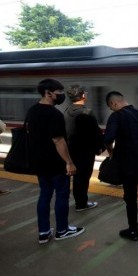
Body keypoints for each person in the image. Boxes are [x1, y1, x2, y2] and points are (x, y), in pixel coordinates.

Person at [26, 78, 85, 244]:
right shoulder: (54, 114)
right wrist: (69, 162)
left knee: (44, 195)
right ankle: (62, 230)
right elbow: (58, 140)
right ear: (48, 93)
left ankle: (44, 233)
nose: (61, 96)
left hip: (39, 163)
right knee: (61, 195)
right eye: (59, 93)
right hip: (56, 163)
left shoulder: (32, 111)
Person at [104, 91, 138, 241]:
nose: (112, 110)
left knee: (130, 198)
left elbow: (108, 138)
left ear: (113, 103)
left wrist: (111, 153)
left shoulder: (117, 116)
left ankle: (133, 231)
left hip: (129, 167)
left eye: (111, 107)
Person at [64, 85, 104, 212]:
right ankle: (81, 204)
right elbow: (94, 133)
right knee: (83, 177)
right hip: (84, 152)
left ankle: (79, 201)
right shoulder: (87, 112)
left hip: (71, 149)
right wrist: (99, 148)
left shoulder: (67, 110)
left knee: (77, 177)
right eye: (85, 93)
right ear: (82, 96)